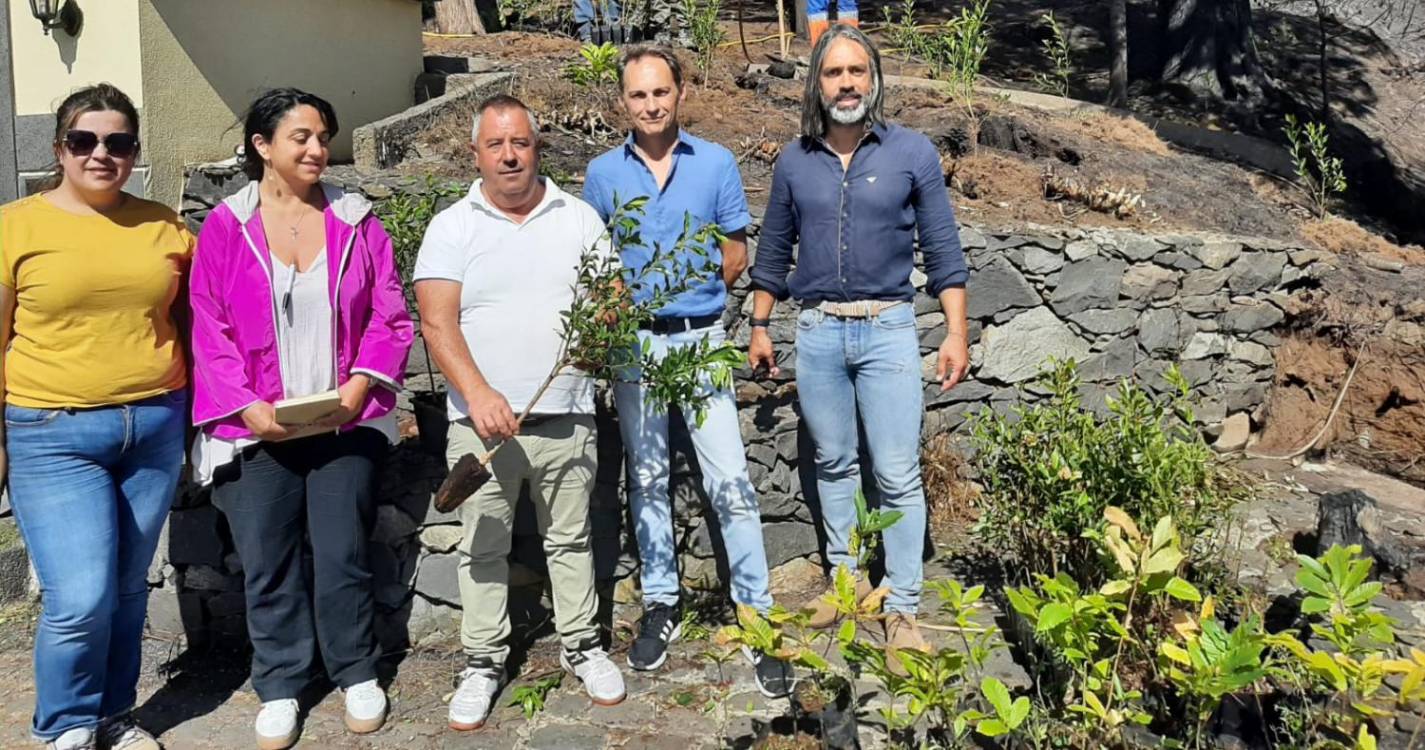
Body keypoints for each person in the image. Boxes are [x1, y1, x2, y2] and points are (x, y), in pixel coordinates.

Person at [189, 88, 413, 750]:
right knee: (268, 558)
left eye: (324, 137)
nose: (318, 149)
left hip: (342, 419)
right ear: (262, 147)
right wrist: (248, 407)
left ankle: (355, 670)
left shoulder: (355, 219)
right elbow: (209, 325)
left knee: (343, 549)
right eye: (302, 138)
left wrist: (358, 386)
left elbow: (389, 313)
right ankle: (281, 682)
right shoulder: (226, 228)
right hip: (257, 426)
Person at [747, 25, 971, 674]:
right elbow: (772, 249)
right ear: (816, 83)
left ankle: (901, 607)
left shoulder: (911, 153)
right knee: (836, 466)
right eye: (833, 73)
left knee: (897, 474)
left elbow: (943, 250)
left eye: (857, 72)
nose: (846, 83)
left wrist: (955, 332)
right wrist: (761, 323)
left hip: (888, 330)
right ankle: (846, 592)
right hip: (816, 332)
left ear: (873, 80)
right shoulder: (795, 160)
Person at [582, 45, 794, 698]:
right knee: (645, 479)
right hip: (635, 351)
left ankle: (756, 616)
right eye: (638, 95)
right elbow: (595, 263)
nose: (650, 105)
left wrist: (689, 294)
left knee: (728, 477)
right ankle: (661, 604)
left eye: (660, 92)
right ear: (623, 101)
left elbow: (736, 251)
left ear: (680, 93)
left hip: (699, 343)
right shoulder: (601, 174)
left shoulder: (717, 164)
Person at [414, 94, 626, 732]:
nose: (510, 155)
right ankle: (482, 661)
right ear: (476, 154)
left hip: (565, 416)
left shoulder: (579, 218)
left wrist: (601, 332)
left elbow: (610, 300)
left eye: (521, 143)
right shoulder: (453, 226)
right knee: (482, 547)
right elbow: (436, 321)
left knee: (570, 539)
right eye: (496, 145)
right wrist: (478, 393)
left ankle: (583, 646)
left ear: (537, 148)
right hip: (479, 430)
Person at [0, 84, 187, 750]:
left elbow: (193, 320)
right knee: (79, 599)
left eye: (118, 142)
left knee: (127, 590)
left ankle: (112, 714)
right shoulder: (14, 226)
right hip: (53, 434)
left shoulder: (164, 224)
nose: (101, 154)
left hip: (155, 427)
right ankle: (65, 726)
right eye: (84, 141)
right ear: (60, 149)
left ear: (134, 151)